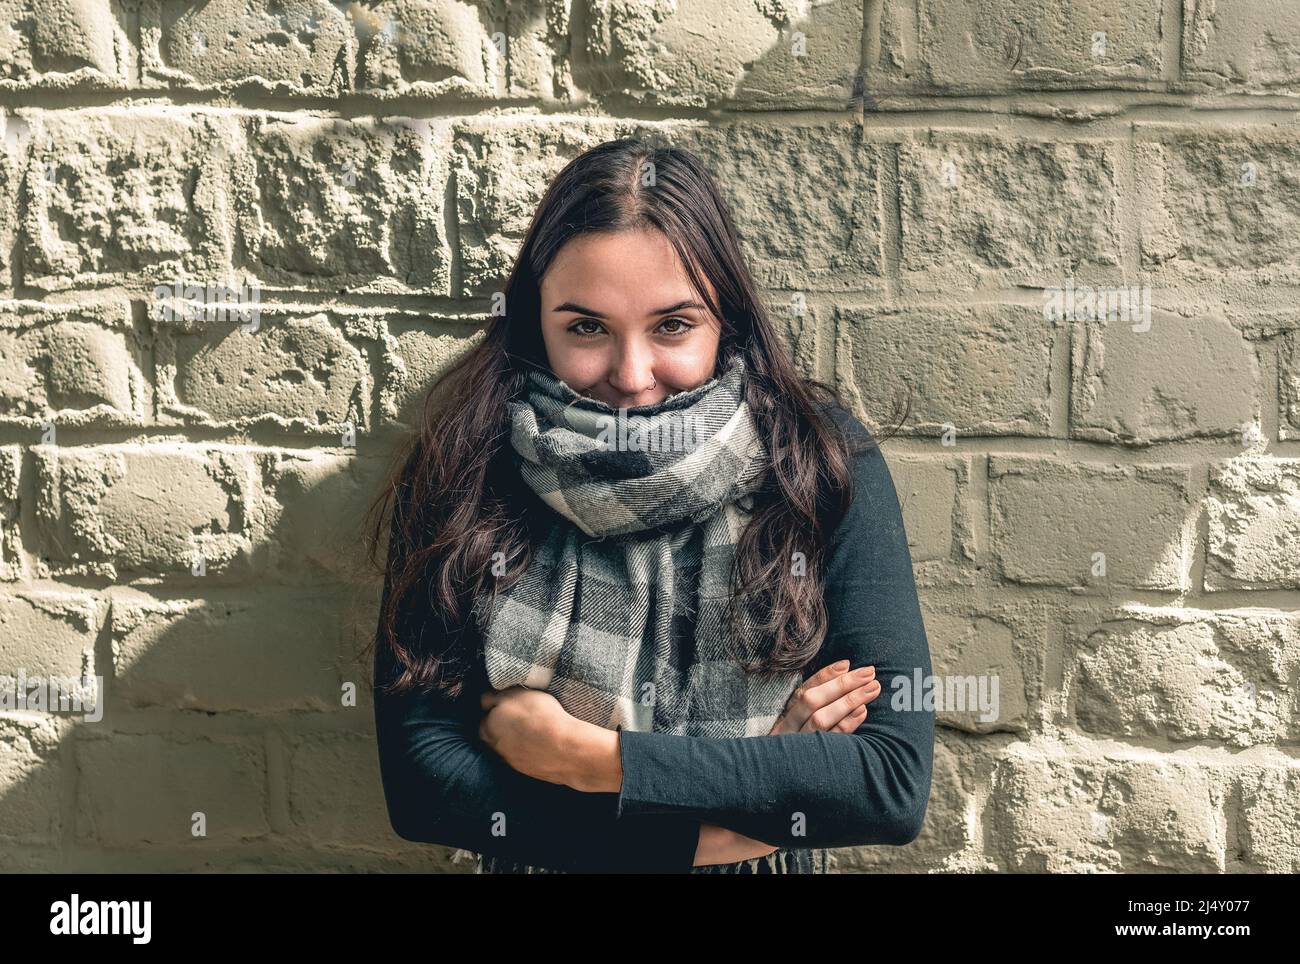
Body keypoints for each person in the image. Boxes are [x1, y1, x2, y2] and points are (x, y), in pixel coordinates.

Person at [364, 137, 934, 873]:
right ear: (535, 319)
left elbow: (887, 783)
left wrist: (595, 759)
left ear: (725, 316)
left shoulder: (815, 461)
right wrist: (736, 821)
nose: (632, 377)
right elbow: (425, 787)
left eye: (672, 326)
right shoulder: (470, 465)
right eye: (586, 327)